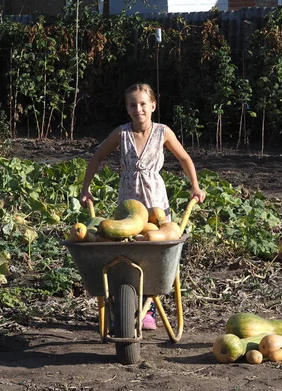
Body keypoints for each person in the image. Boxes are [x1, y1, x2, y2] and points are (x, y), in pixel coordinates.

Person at [79, 83, 206, 330]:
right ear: (127, 109)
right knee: (125, 251)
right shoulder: (121, 134)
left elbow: (184, 158)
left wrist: (195, 186)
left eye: (143, 104)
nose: (138, 109)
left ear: (153, 106)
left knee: (152, 247)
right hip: (128, 199)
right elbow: (97, 157)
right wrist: (86, 188)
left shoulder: (163, 132)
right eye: (132, 105)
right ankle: (123, 306)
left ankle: (148, 311)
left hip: (155, 199)